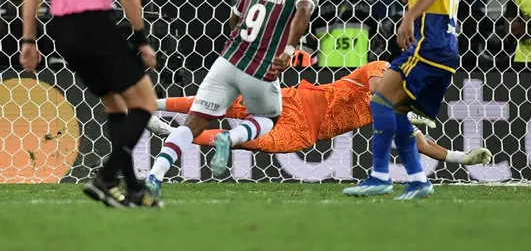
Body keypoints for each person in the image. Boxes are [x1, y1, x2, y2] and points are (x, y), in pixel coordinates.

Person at [20, 0, 159, 208]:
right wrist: (141, 37)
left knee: (114, 104)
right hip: (96, 24)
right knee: (146, 103)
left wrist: (28, 41)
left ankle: (134, 190)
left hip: (61, 30)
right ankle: (105, 178)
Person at [145, 0, 318, 199]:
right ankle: (230, 137)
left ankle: (154, 175)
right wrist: (289, 50)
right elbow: (303, 13)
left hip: (227, 61)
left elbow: (234, 19)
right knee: (267, 119)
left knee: (192, 124)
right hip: (261, 68)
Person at [147, 61, 492, 165]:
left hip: (306, 133)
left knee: (249, 143)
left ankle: (169, 133)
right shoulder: (381, 68)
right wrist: (406, 110)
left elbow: (422, 143)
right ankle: (154, 105)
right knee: (224, 104)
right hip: (301, 101)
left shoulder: (396, 113)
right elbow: (376, 91)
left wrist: (462, 157)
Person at [343, 0, 460, 200]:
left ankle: (380, 175)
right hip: (447, 49)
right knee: (398, 110)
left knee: (380, 99)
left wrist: (407, 17)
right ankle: (419, 180)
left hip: (427, 46)